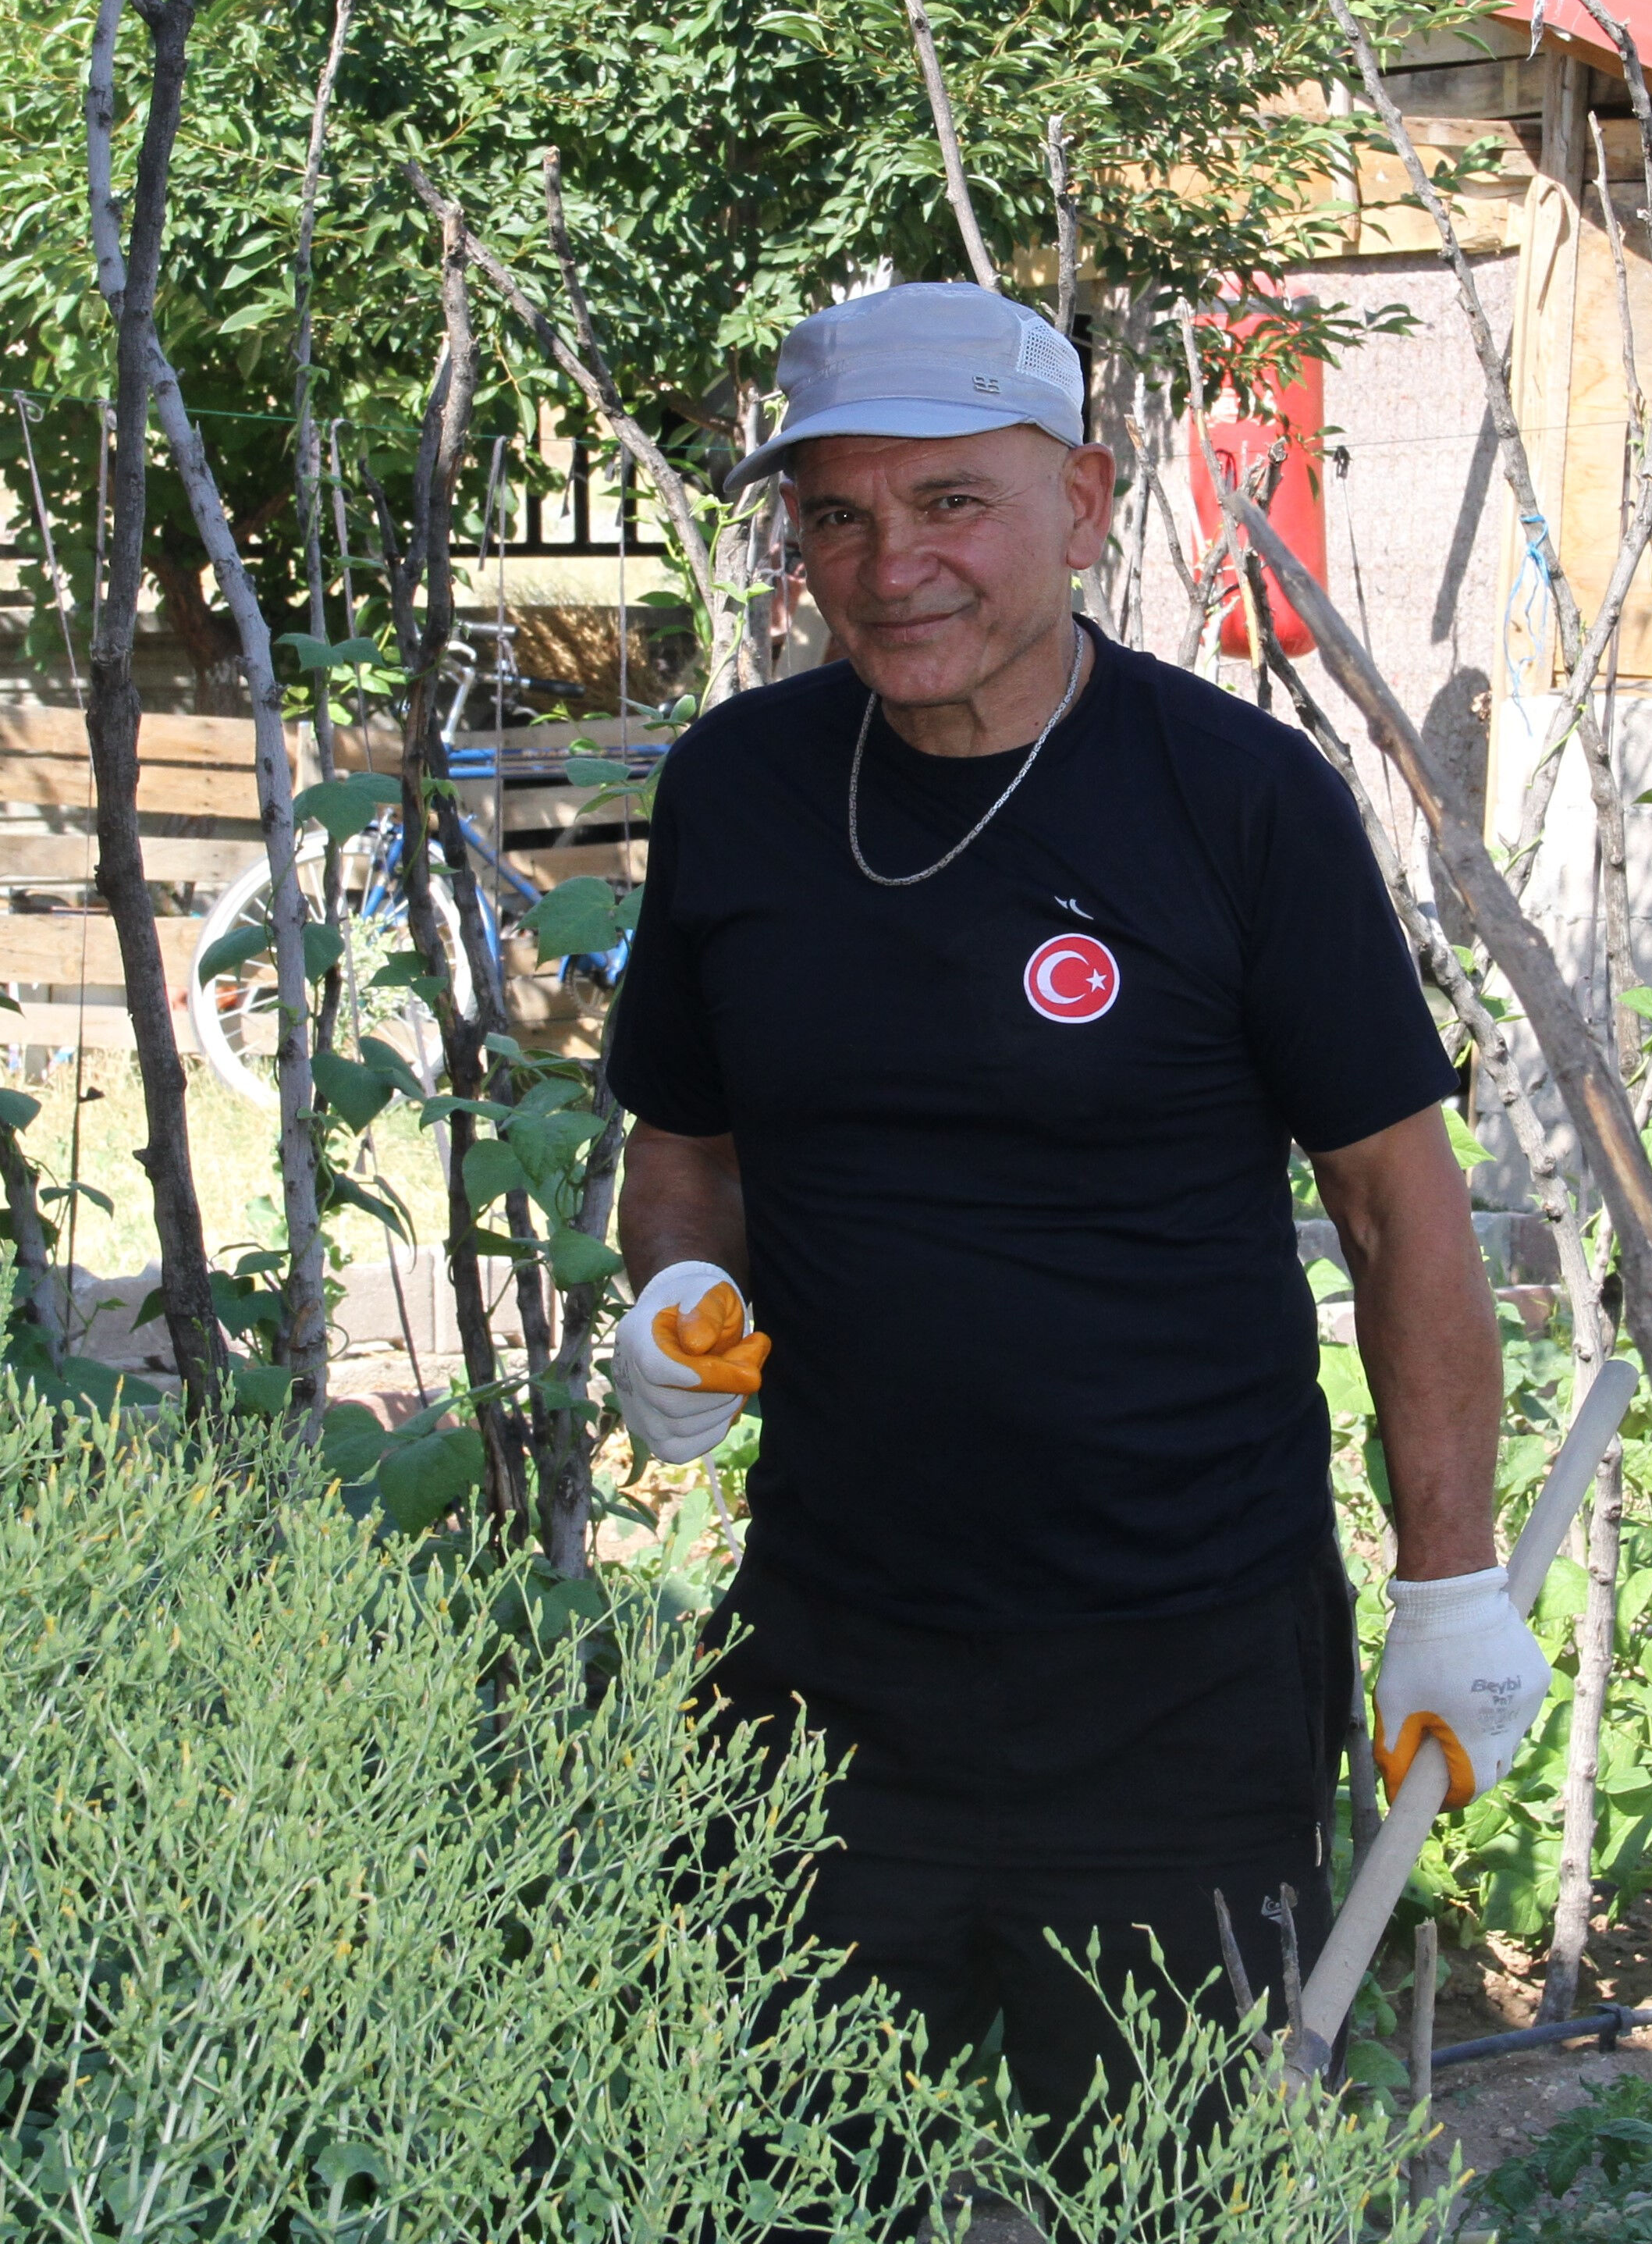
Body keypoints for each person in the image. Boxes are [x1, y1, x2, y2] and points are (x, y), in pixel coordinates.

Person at [601, 279, 1554, 2161]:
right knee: (765, 2174)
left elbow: (1400, 1213)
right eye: (839, 518)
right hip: (826, 1652)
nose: (891, 567)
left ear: (1087, 499)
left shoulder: (1237, 805)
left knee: (1163, 2188)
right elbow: (686, 1145)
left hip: (1175, 1680)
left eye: (953, 503)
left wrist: (1449, 1586)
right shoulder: (742, 791)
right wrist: (679, 1297)